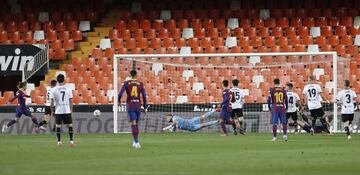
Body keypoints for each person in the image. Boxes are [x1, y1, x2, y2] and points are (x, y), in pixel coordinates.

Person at [118, 70, 147, 149]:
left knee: (133, 123)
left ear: (130, 75)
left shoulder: (126, 83)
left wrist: (119, 101)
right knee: (136, 123)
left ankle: (136, 142)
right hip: (138, 105)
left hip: (130, 104)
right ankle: (135, 141)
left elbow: (120, 94)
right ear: (136, 75)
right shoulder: (140, 84)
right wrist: (145, 106)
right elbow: (144, 96)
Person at [51, 74, 75, 147]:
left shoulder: (54, 89)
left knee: (58, 126)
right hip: (67, 110)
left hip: (58, 110)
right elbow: (71, 100)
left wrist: (52, 111)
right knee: (70, 125)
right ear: (64, 79)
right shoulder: (68, 89)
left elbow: (52, 103)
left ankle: (59, 142)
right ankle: (71, 142)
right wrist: (71, 110)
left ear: (57, 80)